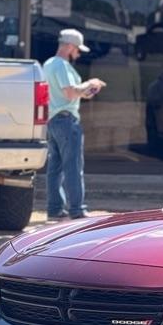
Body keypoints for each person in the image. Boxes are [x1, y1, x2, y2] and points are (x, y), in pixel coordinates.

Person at [43, 29, 105, 220]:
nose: (78, 54)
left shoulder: (48, 64)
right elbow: (70, 93)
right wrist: (90, 83)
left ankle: (54, 208)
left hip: (52, 119)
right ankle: (77, 209)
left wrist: (88, 91)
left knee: (55, 168)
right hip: (67, 120)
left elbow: (69, 94)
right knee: (73, 166)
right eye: (77, 49)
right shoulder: (61, 65)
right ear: (69, 46)